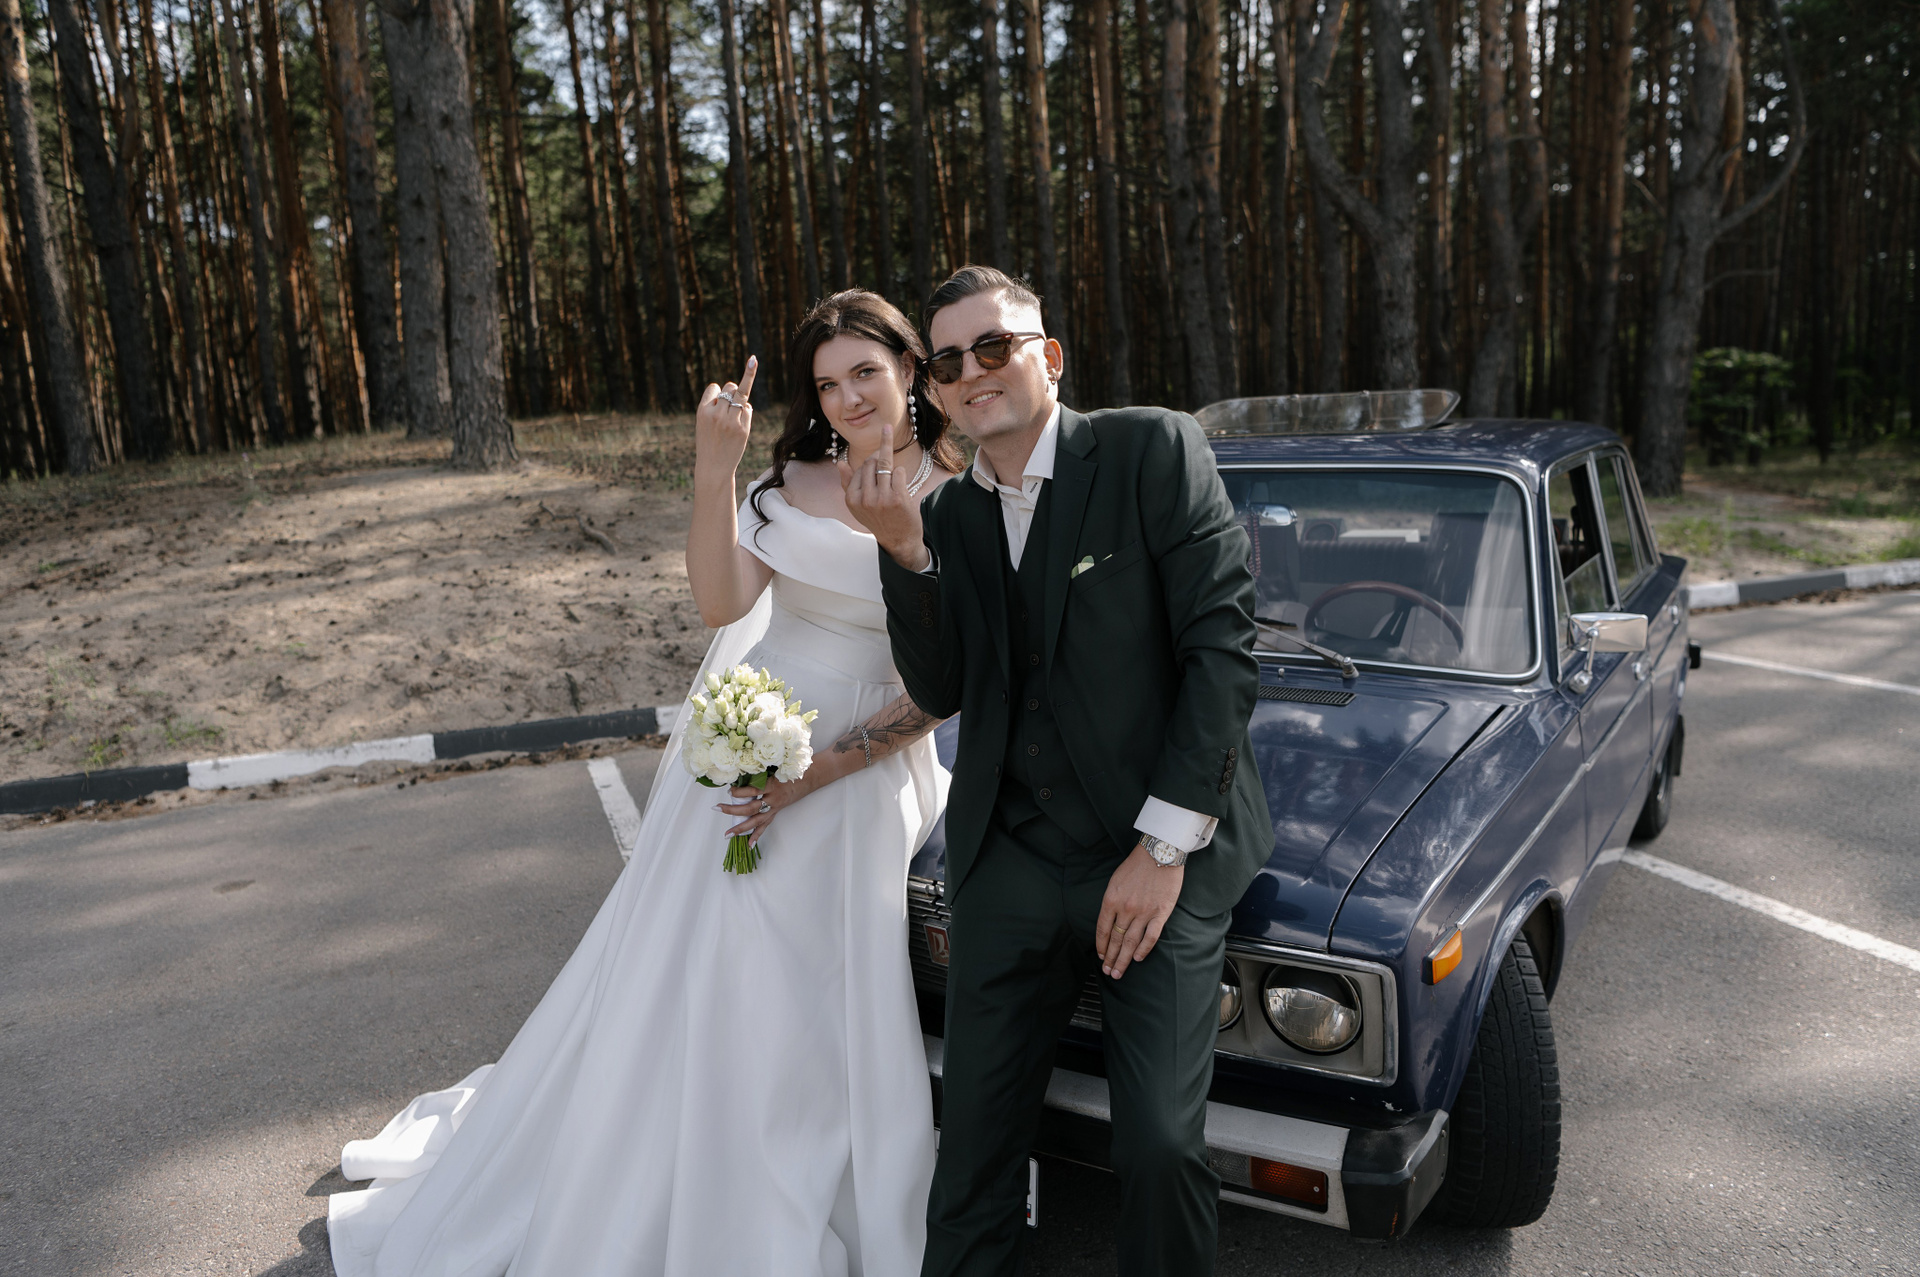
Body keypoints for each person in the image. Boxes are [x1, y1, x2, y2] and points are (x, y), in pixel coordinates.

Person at [326, 289, 966, 1277]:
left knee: (811, 988)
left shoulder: (959, 493)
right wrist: (715, 470)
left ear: (912, 369)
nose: (847, 398)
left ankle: (795, 1178)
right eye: (827, 383)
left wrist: (821, 772)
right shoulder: (794, 480)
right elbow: (720, 599)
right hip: (752, 743)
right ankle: (680, 1167)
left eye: (865, 373)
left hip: (863, 770)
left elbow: (946, 678)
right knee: (709, 966)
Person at [843, 266, 1274, 1277]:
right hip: (1014, 855)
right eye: (949, 361)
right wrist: (905, 553)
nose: (973, 372)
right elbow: (944, 686)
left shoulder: (1150, 449)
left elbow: (1222, 651)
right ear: (936, 388)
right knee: (971, 1144)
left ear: (1051, 356)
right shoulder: (950, 514)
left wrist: (1162, 849)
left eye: (994, 346)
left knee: (1159, 1146)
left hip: (1154, 849)